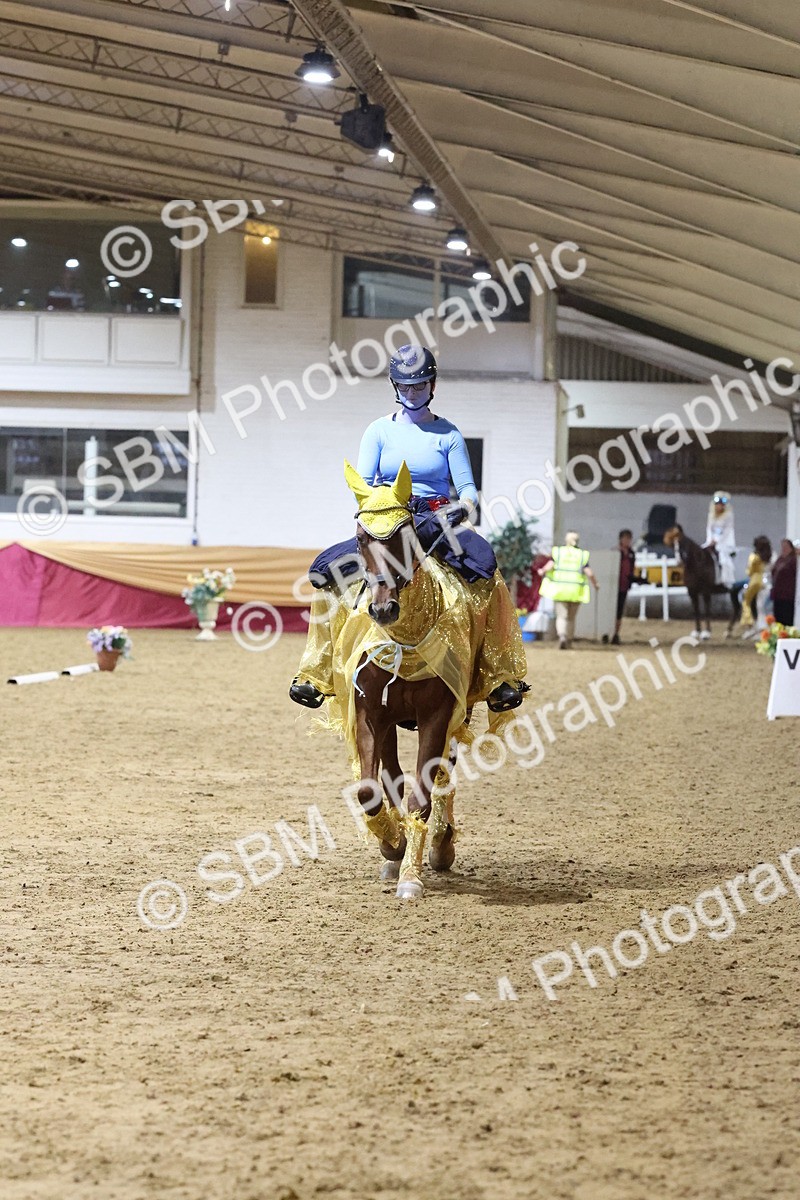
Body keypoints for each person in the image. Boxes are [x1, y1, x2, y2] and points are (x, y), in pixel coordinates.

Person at [289, 345, 526, 713]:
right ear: (394, 386)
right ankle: (316, 672)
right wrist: (377, 513)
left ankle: (497, 676)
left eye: (419, 386)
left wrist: (461, 509)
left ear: (432, 385)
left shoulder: (448, 434)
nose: (412, 393)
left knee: (486, 570)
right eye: (405, 386)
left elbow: (467, 491)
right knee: (326, 574)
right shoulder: (378, 431)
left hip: (435, 519)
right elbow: (364, 486)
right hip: (388, 519)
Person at [537, 531, 599, 649]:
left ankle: (562, 637)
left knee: (562, 616)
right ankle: (569, 640)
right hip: (576, 591)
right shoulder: (582, 554)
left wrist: (542, 571)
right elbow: (588, 572)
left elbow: (550, 565)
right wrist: (596, 584)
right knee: (571, 617)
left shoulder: (558, 552)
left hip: (560, 590)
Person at [611, 528, 641, 645]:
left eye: (629, 539)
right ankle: (610, 632)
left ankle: (616, 633)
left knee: (619, 611)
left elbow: (631, 570)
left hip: (624, 586)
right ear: (621, 539)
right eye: (626, 538)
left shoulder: (631, 553)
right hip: (614, 586)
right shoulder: (615, 552)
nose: (628, 541)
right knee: (612, 611)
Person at [738, 536, 772, 639]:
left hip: (755, 582)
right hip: (767, 583)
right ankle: (761, 627)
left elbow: (749, 571)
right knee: (762, 606)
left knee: (746, 601)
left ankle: (751, 624)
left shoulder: (754, 556)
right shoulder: (771, 555)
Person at [704, 491, 737, 587]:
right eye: (717, 504)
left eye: (721, 505)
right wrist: (711, 540)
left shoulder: (729, 516)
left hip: (725, 542)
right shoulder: (711, 515)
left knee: (724, 558)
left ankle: (726, 580)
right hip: (711, 541)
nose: (719, 507)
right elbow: (709, 529)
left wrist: (717, 541)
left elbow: (727, 531)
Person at [770, 538, 798, 627]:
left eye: (786, 546)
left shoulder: (793, 560)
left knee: (786, 616)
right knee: (778, 617)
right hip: (778, 594)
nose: (784, 548)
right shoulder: (780, 558)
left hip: (788, 595)